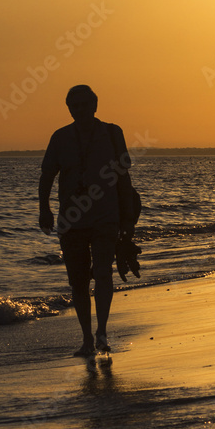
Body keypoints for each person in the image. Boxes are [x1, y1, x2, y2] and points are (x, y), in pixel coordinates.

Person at [38, 85, 134, 357]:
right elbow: (47, 177)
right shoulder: (60, 137)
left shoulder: (113, 134)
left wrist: (128, 218)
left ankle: (102, 332)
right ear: (69, 108)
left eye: (84, 104)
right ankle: (86, 340)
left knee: (103, 273)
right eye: (74, 105)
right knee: (78, 282)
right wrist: (44, 210)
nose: (79, 109)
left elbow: (124, 178)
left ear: (95, 105)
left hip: (106, 217)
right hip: (71, 220)